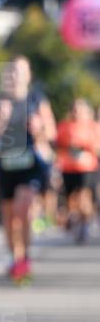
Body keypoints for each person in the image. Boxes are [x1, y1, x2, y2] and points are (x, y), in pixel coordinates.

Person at [0, 57, 56, 282]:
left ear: (28, 76)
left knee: (25, 208)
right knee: (10, 217)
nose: (14, 76)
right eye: (10, 72)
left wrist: (39, 129)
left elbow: (52, 133)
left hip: (30, 165)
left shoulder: (37, 100)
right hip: (7, 165)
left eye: (19, 72)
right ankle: (15, 256)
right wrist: (1, 120)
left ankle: (25, 256)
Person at [56, 98, 100, 243]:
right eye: (74, 109)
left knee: (84, 197)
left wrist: (83, 146)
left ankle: (84, 224)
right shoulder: (64, 126)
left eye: (80, 109)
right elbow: (57, 143)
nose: (77, 112)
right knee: (70, 199)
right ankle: (77, 221)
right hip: (68, 168)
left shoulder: (93, 126)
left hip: (87, 168)